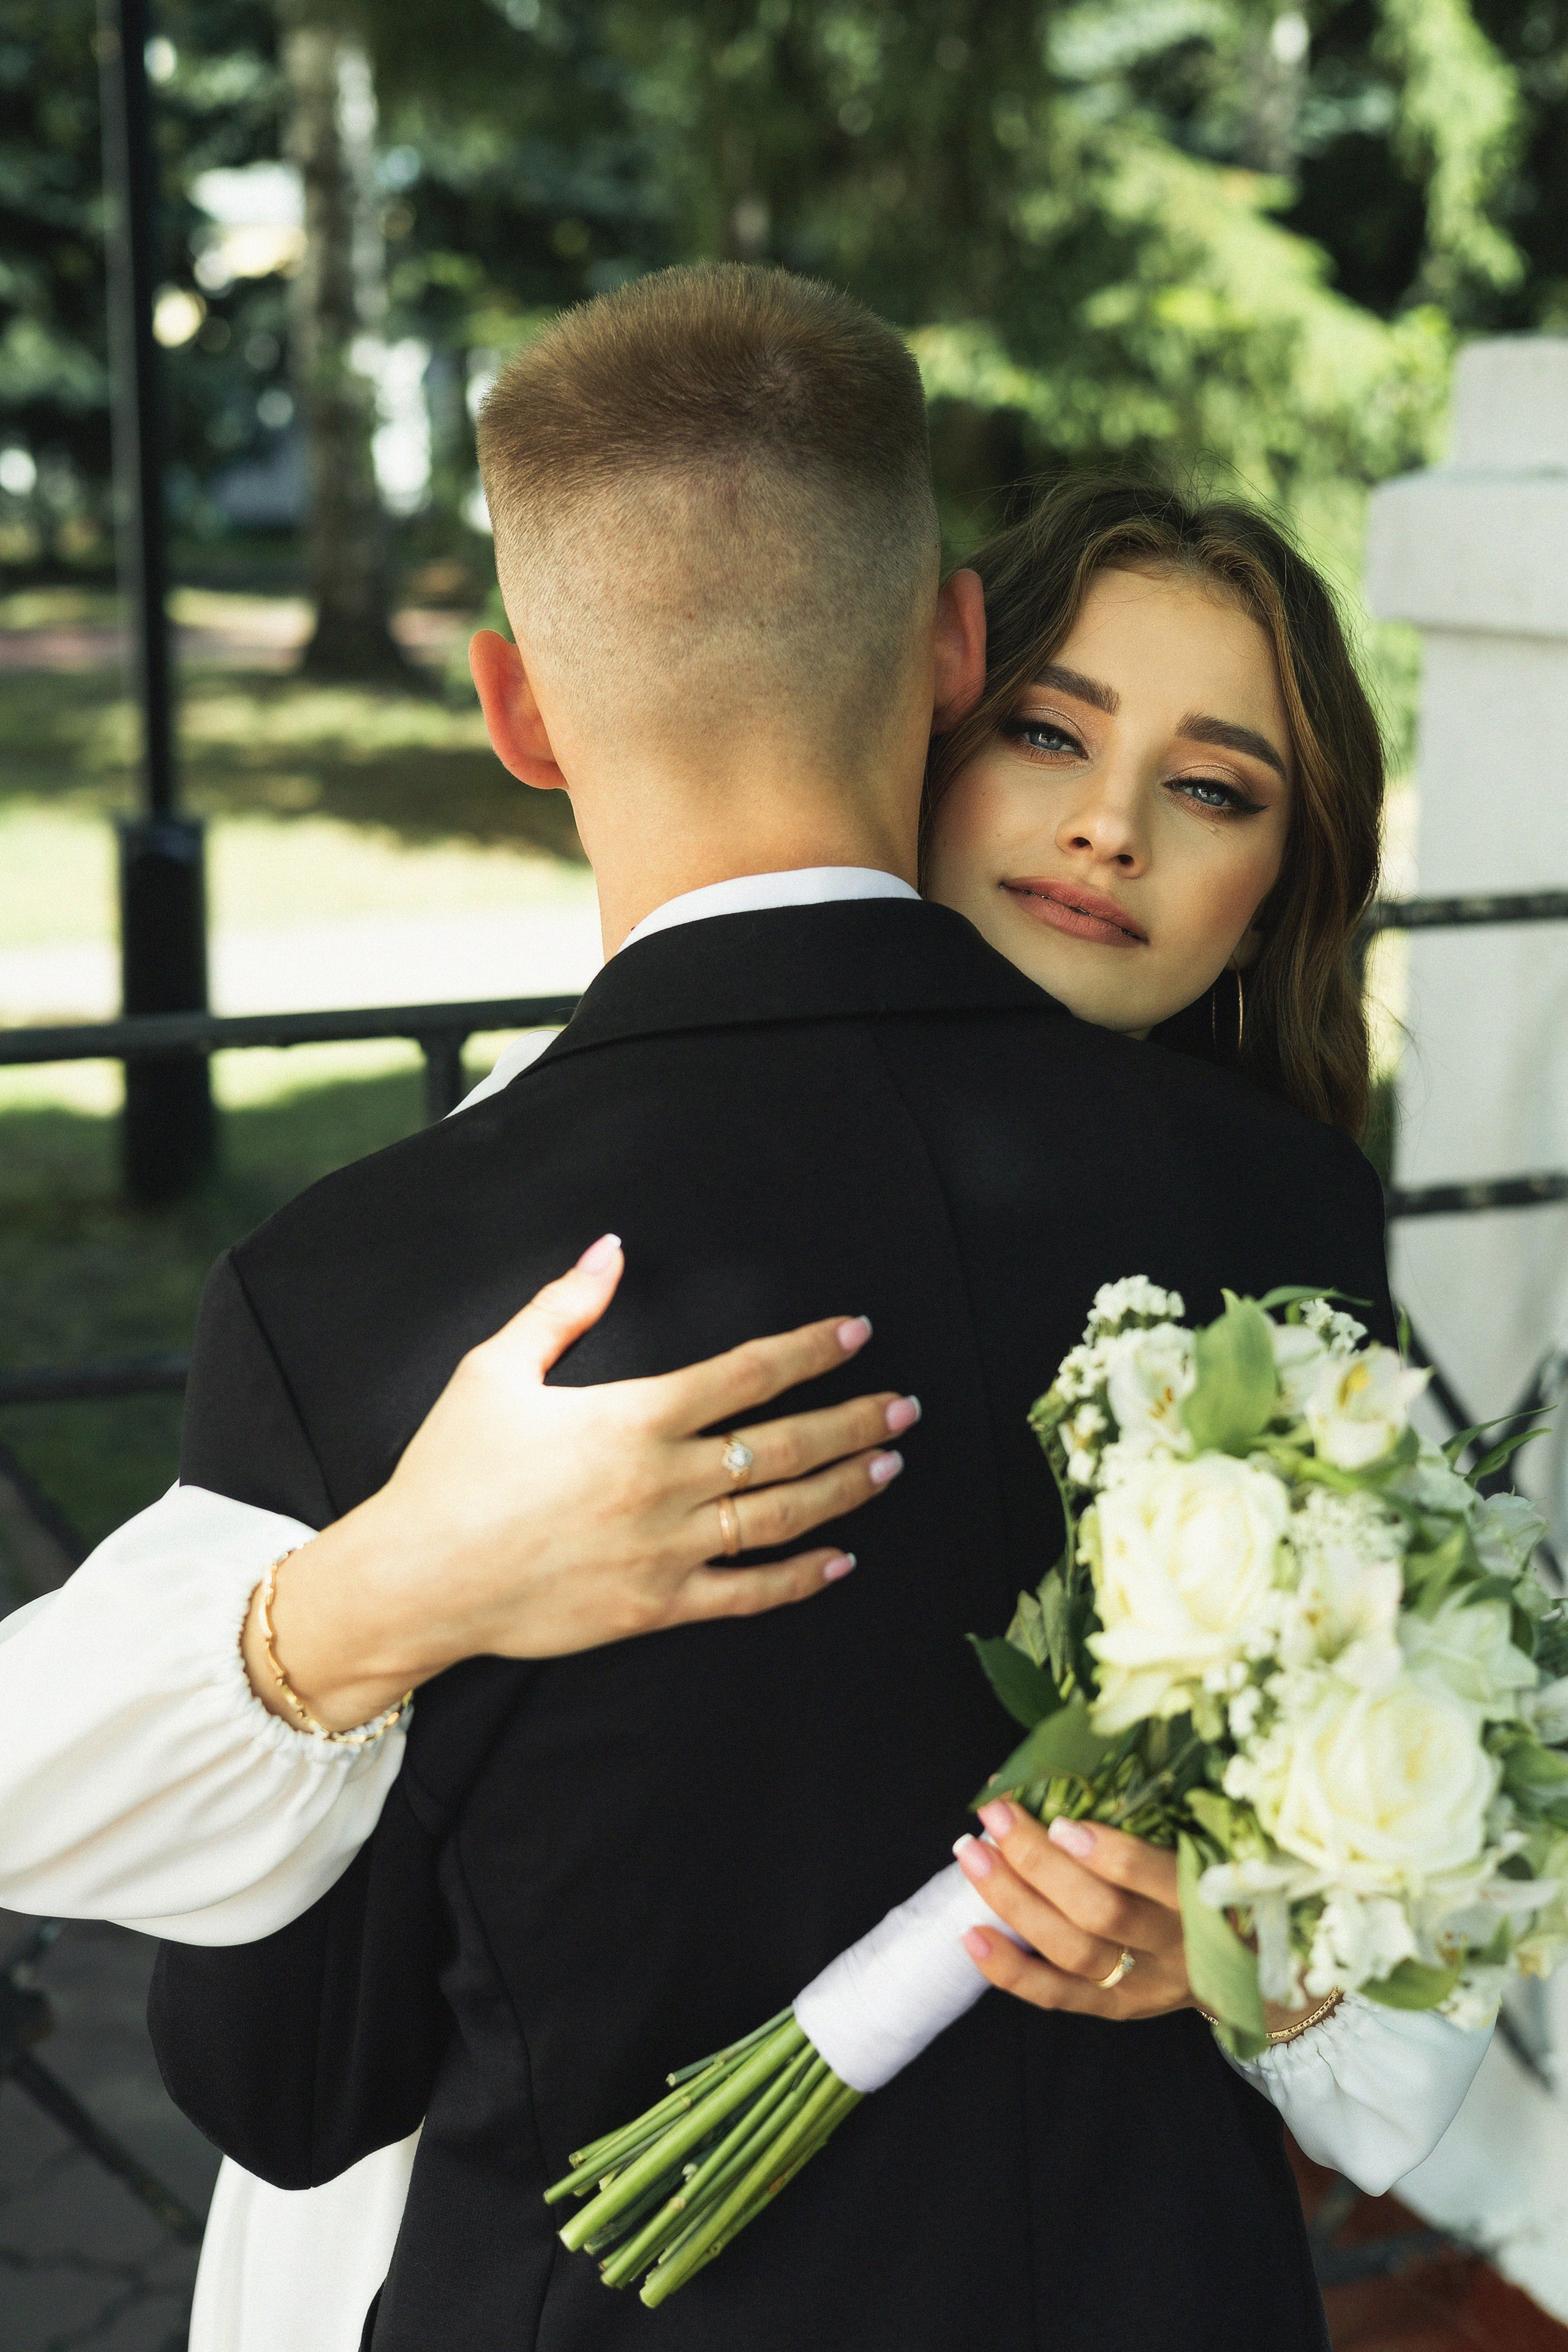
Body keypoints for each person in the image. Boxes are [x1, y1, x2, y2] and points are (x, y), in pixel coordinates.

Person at [139, 267, 1487, 2352]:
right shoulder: (1285, 1217)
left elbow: (291, 2082)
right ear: (950, 666)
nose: (1103, 826)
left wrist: (1235, 1943)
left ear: (519, 711)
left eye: (1218, 789)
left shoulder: (361, 1282)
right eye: (1051, 729)